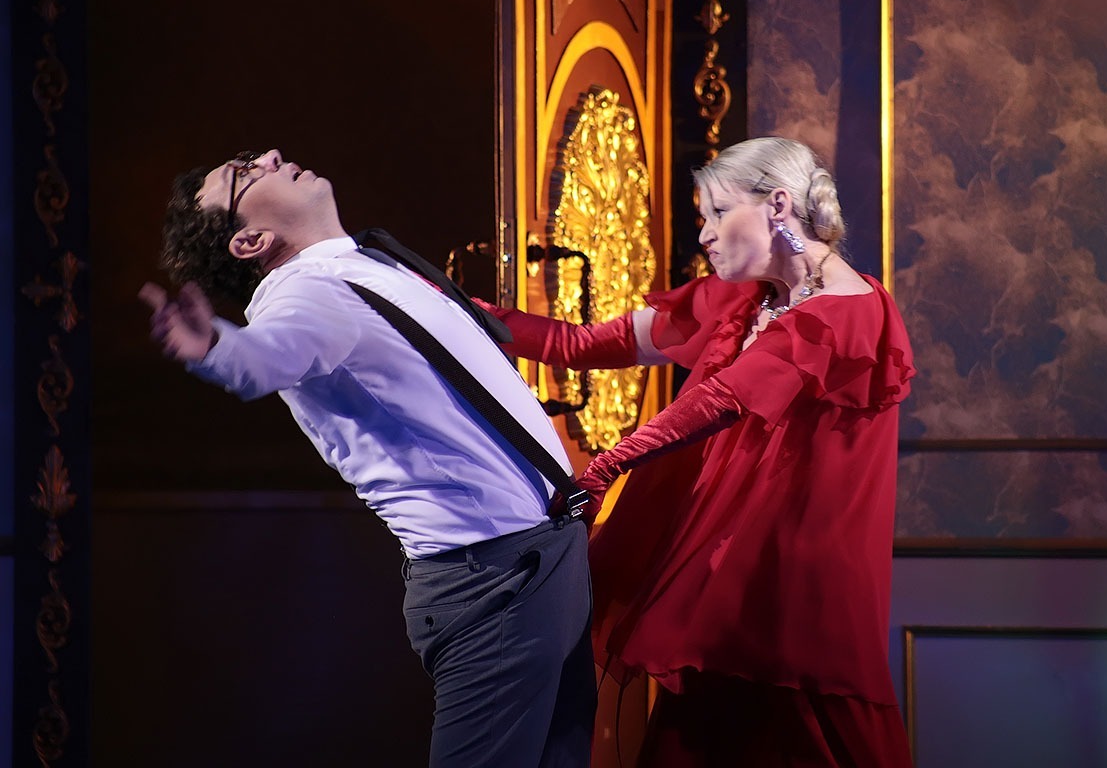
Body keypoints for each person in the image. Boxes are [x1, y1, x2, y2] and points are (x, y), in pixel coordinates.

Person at [139, 149, 595, 768]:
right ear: (251, 241)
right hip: (494, 578)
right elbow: (264, 355)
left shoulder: (358, 264)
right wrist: (214, 348)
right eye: (245, 173)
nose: (271, 156)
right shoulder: (305, 294)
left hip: (545, 554)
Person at [480, 136, 917, 766]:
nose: (706, 234)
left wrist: (607, 465)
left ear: (778, 205)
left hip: (797, 589)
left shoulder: (850, 311)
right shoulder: (746, 299)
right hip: (725, 581)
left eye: (718, 212)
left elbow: (722, 399)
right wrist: (459, 312)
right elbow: (581, 345)